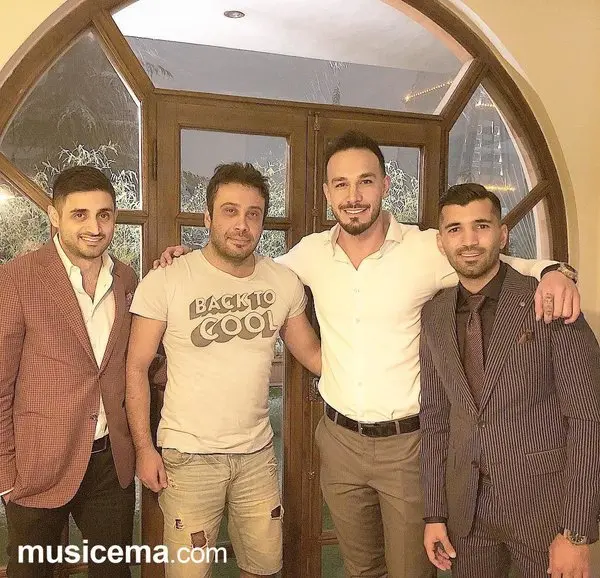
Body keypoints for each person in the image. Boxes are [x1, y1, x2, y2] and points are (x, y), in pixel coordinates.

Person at [156, 131, 580, 577]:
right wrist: (189, 258)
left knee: (411, 571)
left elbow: (493, 262)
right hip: (339, 443)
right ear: (327, 193)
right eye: (341, 184)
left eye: (365, 182)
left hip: (408, 446)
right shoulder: (309, 254)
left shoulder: (425, 248)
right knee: (360, 568)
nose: (353, 196)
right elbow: (247, 271)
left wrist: (552, 271)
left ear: (384, 186)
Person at [126, 163, 321, 578]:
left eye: (253, 214)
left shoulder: (282, 282)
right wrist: (144, 449)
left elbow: (312, 354)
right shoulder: (167, 279)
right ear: (207, 217)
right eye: (230, 211)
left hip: (257, 457)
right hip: (188, 457)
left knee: (264, 569)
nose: (242, 225)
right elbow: (136, 367)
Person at [419, 183, 600, 577]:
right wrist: (434, 513)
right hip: (466, 514)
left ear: (502, 235)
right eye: (455, 229)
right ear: (441, 242)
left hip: (543, 510)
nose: (469, 241)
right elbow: (435, 420)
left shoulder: (549, 301)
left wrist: (576, 532)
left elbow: (588, 419)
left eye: (481, 226)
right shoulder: (433, 315)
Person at [0, 166, 137, 577]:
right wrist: (5, 475)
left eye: (104, 215)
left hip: (110, 466)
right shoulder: (17, 278)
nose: (95, 227)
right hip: (37, 467)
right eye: (80, 214)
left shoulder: (127, 278)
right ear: (54, 216)